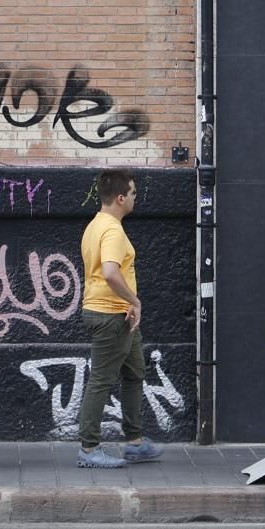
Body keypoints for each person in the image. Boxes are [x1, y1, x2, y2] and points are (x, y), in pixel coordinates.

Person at [76, 169, 163, 468]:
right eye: (134, 193)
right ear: (120, 197)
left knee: (134, 372)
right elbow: (111, 273)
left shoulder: (94, 226)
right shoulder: (111, 230)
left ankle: (134, 442)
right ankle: (88, 449)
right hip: (110, 314)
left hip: (119, 315)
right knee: (101, 380)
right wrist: (135, 300)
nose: (136, 198)